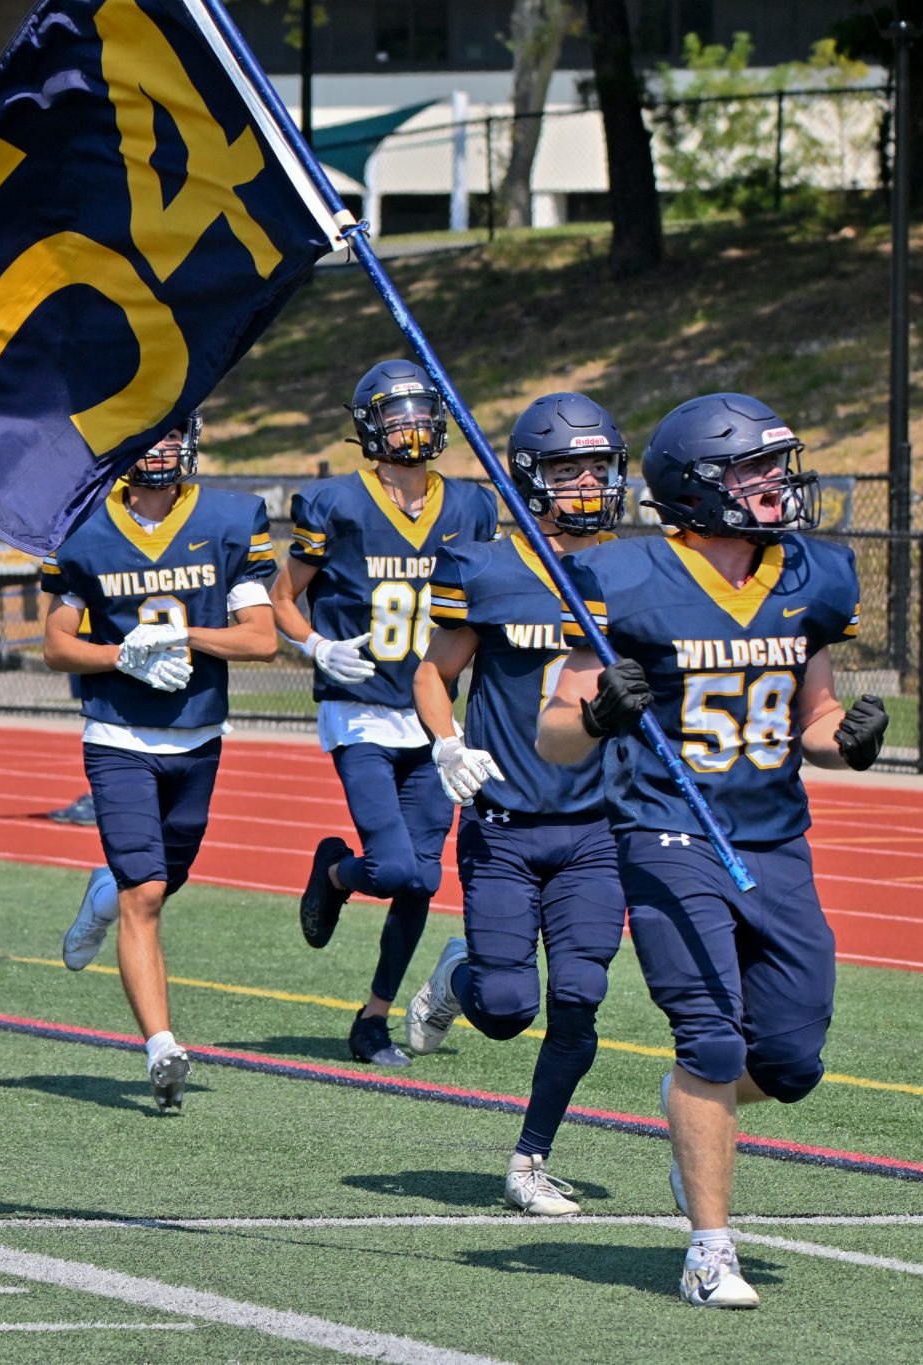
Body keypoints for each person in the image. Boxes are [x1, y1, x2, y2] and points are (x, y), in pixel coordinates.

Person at [536, 392, 884, 1309]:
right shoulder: (626, 576)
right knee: (712, 1037)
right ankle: (709, 1249)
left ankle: (697, 1109)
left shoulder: (810, 573)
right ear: (697, 488)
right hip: (668, 829)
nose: (776, 483)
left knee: (793, 1059)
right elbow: (554, 734)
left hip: (774, 836)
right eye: (753, 469)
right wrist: (598, 715)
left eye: (776, 464)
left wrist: (846, 739)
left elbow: (813, 716)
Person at [399, 393, 632, 1215]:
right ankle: (456, 976)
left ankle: (530, 1159)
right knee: (505, 1009)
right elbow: (434, 671)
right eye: (570, 469)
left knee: (579, 996)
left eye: (599, 468)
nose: (589, 484)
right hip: (502, 825)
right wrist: (446, 741)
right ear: (531, 478)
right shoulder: (487, 568)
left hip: (596, 830)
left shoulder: (637, 574)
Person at [272, 359, 499, 1067]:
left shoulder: (471, 506)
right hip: (362, 709)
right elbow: (282, 597)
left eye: (422, 412)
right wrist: (316, 645)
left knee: (423, 879)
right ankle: (336, 873)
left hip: (433, 717)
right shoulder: (335, 503)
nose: (413, 427)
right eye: (397, 416)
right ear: (370, 427)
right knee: (398, 868)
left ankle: (373, 1018)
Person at [46, 415, 278, 1107]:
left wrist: (179, 637)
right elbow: (57, 646)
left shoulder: (229, 520)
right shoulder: (82, 524)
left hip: (197, 736)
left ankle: (102, 894)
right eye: (149, 436)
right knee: (145, 894)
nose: (161, 448)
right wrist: (123, 654)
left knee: (160, 881)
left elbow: (262, 639)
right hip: (118, 735)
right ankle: (160, 1046)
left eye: (172, 434)